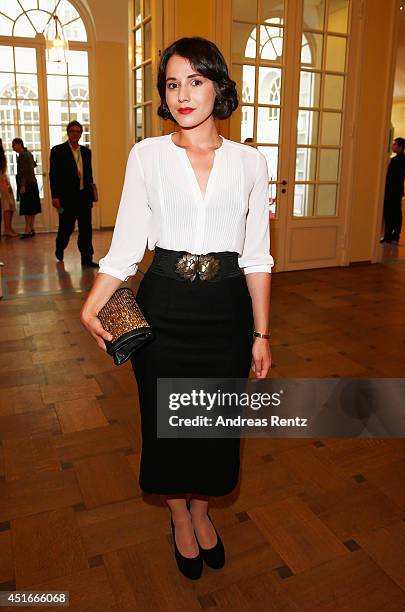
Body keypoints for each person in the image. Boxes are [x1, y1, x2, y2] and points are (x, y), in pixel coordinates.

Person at [80, 36, 273, 580]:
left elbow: (257, 255)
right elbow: (125, 247)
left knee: (214, 426)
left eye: (196, 80)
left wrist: (261, 334)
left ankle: (203, 509)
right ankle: (178, 518)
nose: (183, 94)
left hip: (226, 313)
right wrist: (89, 305)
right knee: (165, 426)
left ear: (218, 84)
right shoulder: (147, 155)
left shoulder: (251, 163)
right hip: (163, 309)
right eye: (172, 83)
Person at [49, 121, 98, 267]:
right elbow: (53, 175)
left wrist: (91, 192)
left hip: (84, 197)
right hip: (66, 197)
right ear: (68, 132)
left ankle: (87, 258)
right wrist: (55, 196)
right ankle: (60, 247)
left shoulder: (86, 152)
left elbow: (89, 173)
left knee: (86, 230)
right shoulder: (58, 151)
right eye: (72, 131)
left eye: (78, 131)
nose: (75, 134)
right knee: (66, 228)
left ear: (81, 134)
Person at [12, 138, 41, 239]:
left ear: (20, 144)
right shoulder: (28, 153)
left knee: (27, 208)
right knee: (32, 207)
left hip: (27, 185)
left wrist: (22, 185)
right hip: (32, 183)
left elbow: (23, 171)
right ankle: (31, 228)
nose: (12, 147)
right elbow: (34, 165)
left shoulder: (22, 155)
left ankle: (27, 230)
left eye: (14, 144)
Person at [380, 137, 405, 244]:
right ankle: (395, 236)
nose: (393, 146)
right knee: (397, 213)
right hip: (398, 190)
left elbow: (390, 176)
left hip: (391, 190)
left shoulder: (396, 160)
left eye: (395, 144)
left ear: (400, 147)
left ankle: (388, 236)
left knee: (389, 213)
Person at [0, 138, 19, 237]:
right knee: (7, 205)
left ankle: (9, 227)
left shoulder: (2, 156)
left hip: (4, 179)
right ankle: (7, 229)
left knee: (11, 205)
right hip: (1, 181)